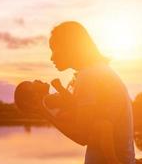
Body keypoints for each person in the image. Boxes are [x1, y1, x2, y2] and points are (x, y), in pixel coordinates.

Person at [14, 21, 135, 164]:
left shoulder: (89, 76)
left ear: (69, 47)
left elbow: (82, 135)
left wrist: (45, 112)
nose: (51, 57)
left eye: (54, 49)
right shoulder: (98, 71)